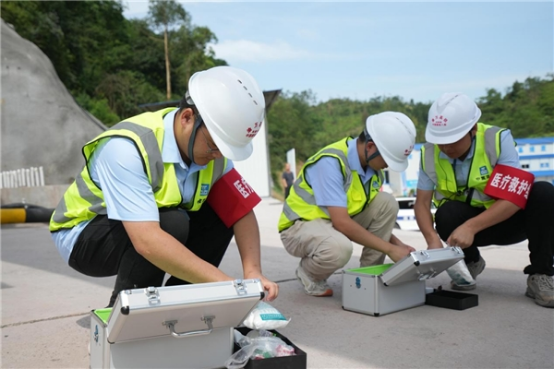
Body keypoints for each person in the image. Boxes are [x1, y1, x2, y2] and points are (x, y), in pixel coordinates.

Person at [50, 66, 279, 307]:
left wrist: (253, 272)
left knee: (220, 215)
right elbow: (147, 240)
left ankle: (180, 305)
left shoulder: (215, 155)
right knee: (171, 223)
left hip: (146, 225)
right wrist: (229, 286)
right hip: (83, 236)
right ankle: (123, 316)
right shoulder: (127, 147)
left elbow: (240, 211)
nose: (218, 155)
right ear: (187, 118)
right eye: (214, 145)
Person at [414, 92, 554, 308]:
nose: (445, 148)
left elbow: (514, 197)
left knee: (543, 192)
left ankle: (540, 274)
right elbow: (422, 203)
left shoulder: (497, 140)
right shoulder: (428, 154)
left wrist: (471, 226)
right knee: (446, 213)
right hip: (466, 234)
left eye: (452, 140)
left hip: (510, 221)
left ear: (473, 129)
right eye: (439, 141)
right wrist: (432, 240)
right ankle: (471, 262)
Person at [278, 112, 418, 297]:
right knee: (339, 249)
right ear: (370, 146)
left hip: (334, 223)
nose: (387, 166)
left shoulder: (374, 170)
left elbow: (373, 220)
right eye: (387, 160)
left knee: (387, 203)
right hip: (299, 227)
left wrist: (399, 245)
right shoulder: (331, 162)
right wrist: (391, 249)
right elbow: (342, 223)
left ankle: (369, 277)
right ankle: (309, 273)